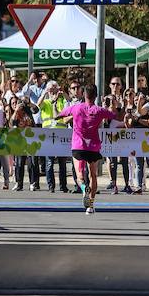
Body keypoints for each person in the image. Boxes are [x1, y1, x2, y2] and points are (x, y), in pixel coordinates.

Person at [59, 85, 116, 214]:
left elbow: (61, 115)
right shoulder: (99, 110)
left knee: (80, 176)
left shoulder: (76, 107)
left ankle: (84, 189)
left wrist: (57, 116)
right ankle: (90, 205)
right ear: (96, 96)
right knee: (93, 175)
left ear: (84, 95)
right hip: (93, 147)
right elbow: (113, 115)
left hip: (78, 146)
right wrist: (110, 105)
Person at [38, 80, 69, 192]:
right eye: (50, 88)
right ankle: (51, 186)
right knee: (49, 161)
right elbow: (38, 106)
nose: (52, 89)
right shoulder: (45, 101)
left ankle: (63, 186)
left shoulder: (62, 100)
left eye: (54, 87)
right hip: (48, 133)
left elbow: (69, 103)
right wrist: (45, 93)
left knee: (62, 162)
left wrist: (62, 92)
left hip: (61, 133)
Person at [10, 99, 37, 191]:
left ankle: (32, 183)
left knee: (31, 163)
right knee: (19, 163)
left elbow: (36, 109)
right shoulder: (16, 114)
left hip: (30, 139)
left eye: (20, 104)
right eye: (14, 104)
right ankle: (19, 183)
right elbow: (12, 123)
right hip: (20, 140)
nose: (19, 105)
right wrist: (16, 110)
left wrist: (29, 103)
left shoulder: (28, 111)